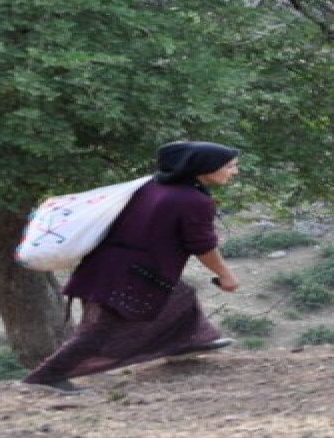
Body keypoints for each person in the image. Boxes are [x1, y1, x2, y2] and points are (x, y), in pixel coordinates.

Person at [22, 141, 242, 393]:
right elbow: (202, 246)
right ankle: (47, 377)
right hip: (130, 275)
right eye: (230, 166)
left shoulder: (152, 186)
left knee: (181, 295)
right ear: (204, 167)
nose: (234, 172)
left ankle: (187, 342)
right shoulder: (193, 200)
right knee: (101, 330)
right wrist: (225, 275)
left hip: (105, 265)